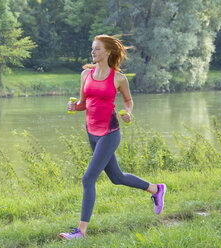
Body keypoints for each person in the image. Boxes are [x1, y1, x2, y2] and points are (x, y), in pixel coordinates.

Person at [59, 35, 166, 240]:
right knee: (117, 178)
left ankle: (81, 232)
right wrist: (74, 106)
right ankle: (156, 189)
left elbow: (128, 101)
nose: (93, 52)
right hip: (91, 132)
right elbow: (83, 103)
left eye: (97, 49)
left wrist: (129, 113)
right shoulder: (85, 75)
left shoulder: (118, 78)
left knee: (88, 178)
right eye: (92, 49)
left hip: (110, 132)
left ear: (108, 52)